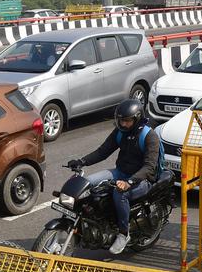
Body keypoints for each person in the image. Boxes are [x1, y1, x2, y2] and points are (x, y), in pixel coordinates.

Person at [66, 98, 160, 255]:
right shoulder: (120, 132)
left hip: (142, 179)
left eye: (127, 121)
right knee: (87, 183)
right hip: (120, 172)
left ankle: (124, 234)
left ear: (137, 119)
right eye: (121, 121)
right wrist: (82, 161)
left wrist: (130, 182)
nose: (123, 124)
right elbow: (103, 151)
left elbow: (149, 167)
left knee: (119, 193)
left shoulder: (150, 136)